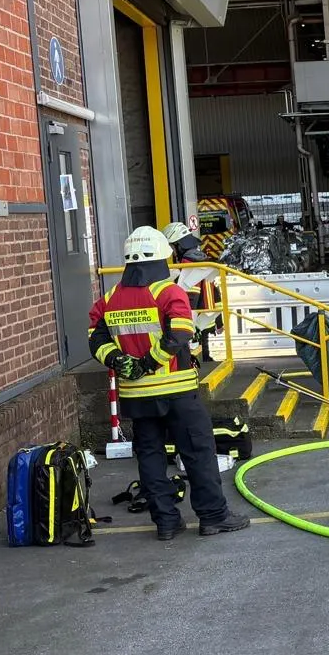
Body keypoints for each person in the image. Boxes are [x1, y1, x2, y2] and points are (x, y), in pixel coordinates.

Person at [89, 227, 249, 540]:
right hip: (176, 391)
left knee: (150, 458)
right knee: (198, 452)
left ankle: (165, 522)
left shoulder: (109, 298)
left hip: (136, 396)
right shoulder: (169, 292)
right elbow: (180, 335)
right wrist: (150, 363)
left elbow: (95, 339)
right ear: (162, 256)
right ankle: (214, 517)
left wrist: (120, 362)